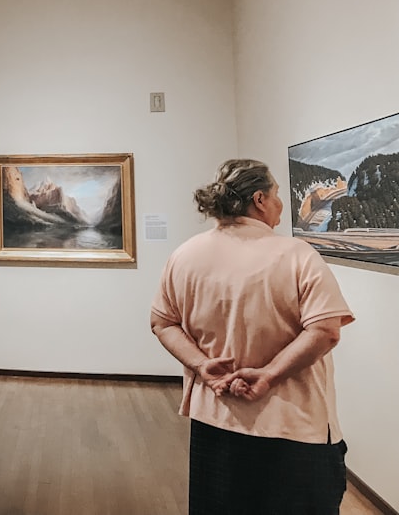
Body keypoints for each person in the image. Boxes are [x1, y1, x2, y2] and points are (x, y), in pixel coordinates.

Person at [150, 159, 354, 515]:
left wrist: (202, 366)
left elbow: (162, 323)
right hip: (293, 427)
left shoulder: (185, 255)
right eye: (276, 195)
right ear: (259, 199)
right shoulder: (296, 254)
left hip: (214, 417)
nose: (279, 205)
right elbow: (325, 331)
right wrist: (269, 375)